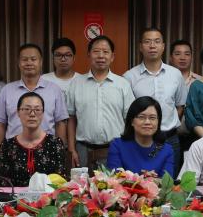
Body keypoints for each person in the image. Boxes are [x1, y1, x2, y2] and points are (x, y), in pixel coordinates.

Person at [67, 35, 135, 169]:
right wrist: (71, 149)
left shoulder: (123, 84)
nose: (101, 56)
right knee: (82, 183)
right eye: (96, 51)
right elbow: (71, 118)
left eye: (105, 52)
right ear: (89, 55)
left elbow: (130, 119)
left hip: (114, 149)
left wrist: (128, 148)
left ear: (112, 56)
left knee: (114, 182)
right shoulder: (76, 83)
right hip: (83, 149)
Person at [123, 26, 188, 167]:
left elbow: (180, 106)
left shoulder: (175, 74)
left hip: (170, 139)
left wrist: (167, 125)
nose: (152, 46)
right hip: (140, 140)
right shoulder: (129, 77)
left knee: (170, 179)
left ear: (163, 46)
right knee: (140, 177)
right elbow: (128, 112)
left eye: (157, 41)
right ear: (140, 47)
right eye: (147, 42)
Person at [0, 43, 68, 149]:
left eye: (33, 59)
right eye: (25, 59)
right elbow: (0, 124)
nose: (29, 63)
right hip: (13, 150)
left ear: (41, 62)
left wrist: (60, 151)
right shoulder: (7, 90)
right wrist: (0, 153)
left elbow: (60, 123)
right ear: (18, 63)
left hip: (47, 150)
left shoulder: (54, 90)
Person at [0, 92, 67, 186]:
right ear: (18, 112)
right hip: (14, 195)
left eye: (37, 109)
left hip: (47, 195)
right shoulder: (7, 145)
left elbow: (60, 181)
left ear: (43, 113)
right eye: (27, 109)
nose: (32, 114)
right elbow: (3, 183)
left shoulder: (55, 144)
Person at [106, 96, 175, 177]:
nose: (147, 122)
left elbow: (167, 182)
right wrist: (141, 178)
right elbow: (114, 178)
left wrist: (153, 181)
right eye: (141, 117)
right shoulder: (117, 146)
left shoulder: (166, 150)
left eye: (152, 118)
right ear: (132, 121)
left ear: (158, 122)